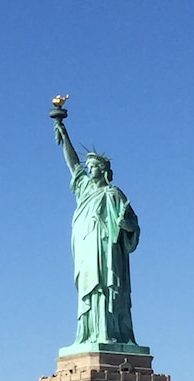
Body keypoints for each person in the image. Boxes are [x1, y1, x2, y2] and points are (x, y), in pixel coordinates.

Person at [54, 119, 140, 346]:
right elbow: (73, 165)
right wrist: (64, 134)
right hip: (86, 246)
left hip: (107, 248)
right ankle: (89, 334)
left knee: (107, 287)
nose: (88, 168)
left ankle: (108, 334)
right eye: (88, 166)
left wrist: (125, 225)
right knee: (89, 288)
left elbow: (133, 226)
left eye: (92, 166)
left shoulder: (114, 194)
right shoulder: (83, 189)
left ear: (102, 170)